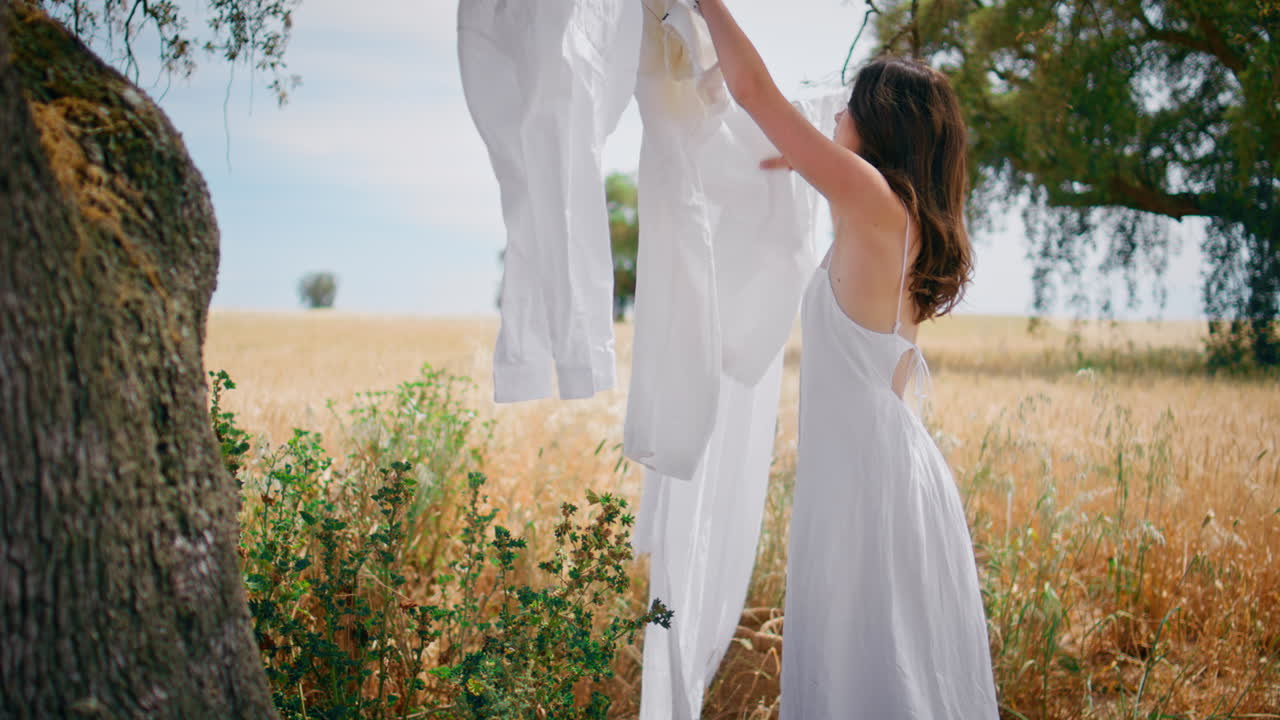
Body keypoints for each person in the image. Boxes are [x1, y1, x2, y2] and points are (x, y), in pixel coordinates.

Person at [696, 1, 1001, 717]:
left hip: (867, 475)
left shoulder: (872, 200)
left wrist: (709, 4)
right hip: (877, 466)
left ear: (876, 125)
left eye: (846, 109)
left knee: (868, 663)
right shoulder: (891, 217)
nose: (834, 116)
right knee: (877, 659)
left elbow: (756, 95)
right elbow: (780, 138)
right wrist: (781, 155)